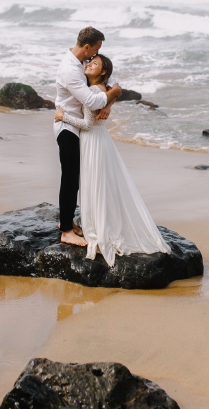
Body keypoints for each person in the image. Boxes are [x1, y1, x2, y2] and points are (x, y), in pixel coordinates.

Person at [55, 53, 170, 265]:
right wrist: (111, 99)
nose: (89, 64)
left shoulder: (93, 90)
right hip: (99, 140)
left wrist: (64, 117)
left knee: (95, 184)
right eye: (89, 61)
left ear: (103, 72)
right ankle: (102, 221)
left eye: (95, 63)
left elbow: (88, 124)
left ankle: (99, 226)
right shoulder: (100, 89)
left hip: (92, 140)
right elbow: (111, 92)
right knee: (103, 184)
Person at [54, 27, 122, 246]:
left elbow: (105, 83)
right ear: (87, 46)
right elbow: (93, 101)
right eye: (96, 49)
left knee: (75, 177)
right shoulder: (70, 70)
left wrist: (110, 102)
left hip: (80, 126)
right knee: (70, 178)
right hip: (68, 127)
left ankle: (67, 220)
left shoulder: (82, 64)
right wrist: (113, 94)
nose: (96, 55)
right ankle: (65, 230)